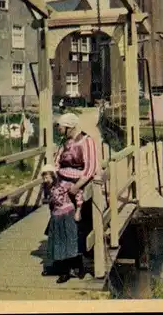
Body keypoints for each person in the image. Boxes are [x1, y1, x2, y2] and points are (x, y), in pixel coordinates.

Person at [55, 112, 98, 265]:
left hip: (79, 187)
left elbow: (90, 168)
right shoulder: (64, 142)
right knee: (61, 223)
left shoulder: (87, 141)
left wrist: (76, 186)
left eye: (60, 125)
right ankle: (63, 261)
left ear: (69, 126)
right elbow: (57, 163)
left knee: (77, 225)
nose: (58, 128)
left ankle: (77, 261)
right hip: (63, 187)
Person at [41, 164, 84, 284]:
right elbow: (51, 203)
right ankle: (61, 267)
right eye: (43, 178)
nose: (45, 180)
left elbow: (79, 193)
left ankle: (68, 270)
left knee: (68, 241)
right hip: (56, 215)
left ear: (53, 176)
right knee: (57, 242)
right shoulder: (48, 188)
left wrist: (78, 212)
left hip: (67, 214)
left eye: (47, 177)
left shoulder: (64, 184)